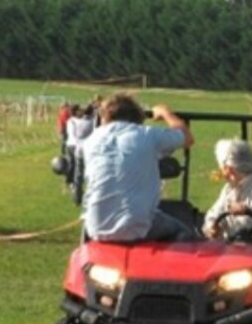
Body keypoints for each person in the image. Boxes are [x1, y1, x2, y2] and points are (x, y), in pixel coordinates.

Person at [82, 93, 195, 242]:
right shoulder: (146, 135)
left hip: (95, 227)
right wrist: (165, 113)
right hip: (135, 226)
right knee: (185, 232)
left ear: (105, 117)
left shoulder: (91, 141)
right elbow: (187, 137)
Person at [203, 139, 252, 244]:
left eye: (222, 169)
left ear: (229, 169)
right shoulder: (228, 190)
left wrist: (250, 210)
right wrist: (212, 227)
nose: (222, 174)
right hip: (232, 250)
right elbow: (213, 215)